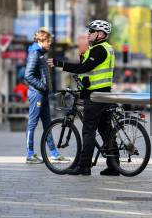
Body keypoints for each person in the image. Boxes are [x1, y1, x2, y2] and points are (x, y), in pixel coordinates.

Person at [48, 20, 118, 176]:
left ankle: (84, 166)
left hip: (95, 96)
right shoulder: (105, 49)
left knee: (88, 131)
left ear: (100, 34)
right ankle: (114, 166)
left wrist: (60, 64)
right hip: (103, 94)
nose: (89, 33)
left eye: (92, 31)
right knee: (106, 131)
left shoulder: (99, 50)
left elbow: (83, 68)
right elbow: (87, 71)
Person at [24, 29, 65, 164]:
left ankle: (53, 153)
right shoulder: (35, 53)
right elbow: (28, 75)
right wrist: (42, 86)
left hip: (43, 94)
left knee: (48, 124)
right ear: (40, 40)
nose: (50, 44)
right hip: (37, 94)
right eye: (48, 41)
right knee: (32, 124)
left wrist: (46, 89)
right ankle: (30, 154)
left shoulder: (40, 53)